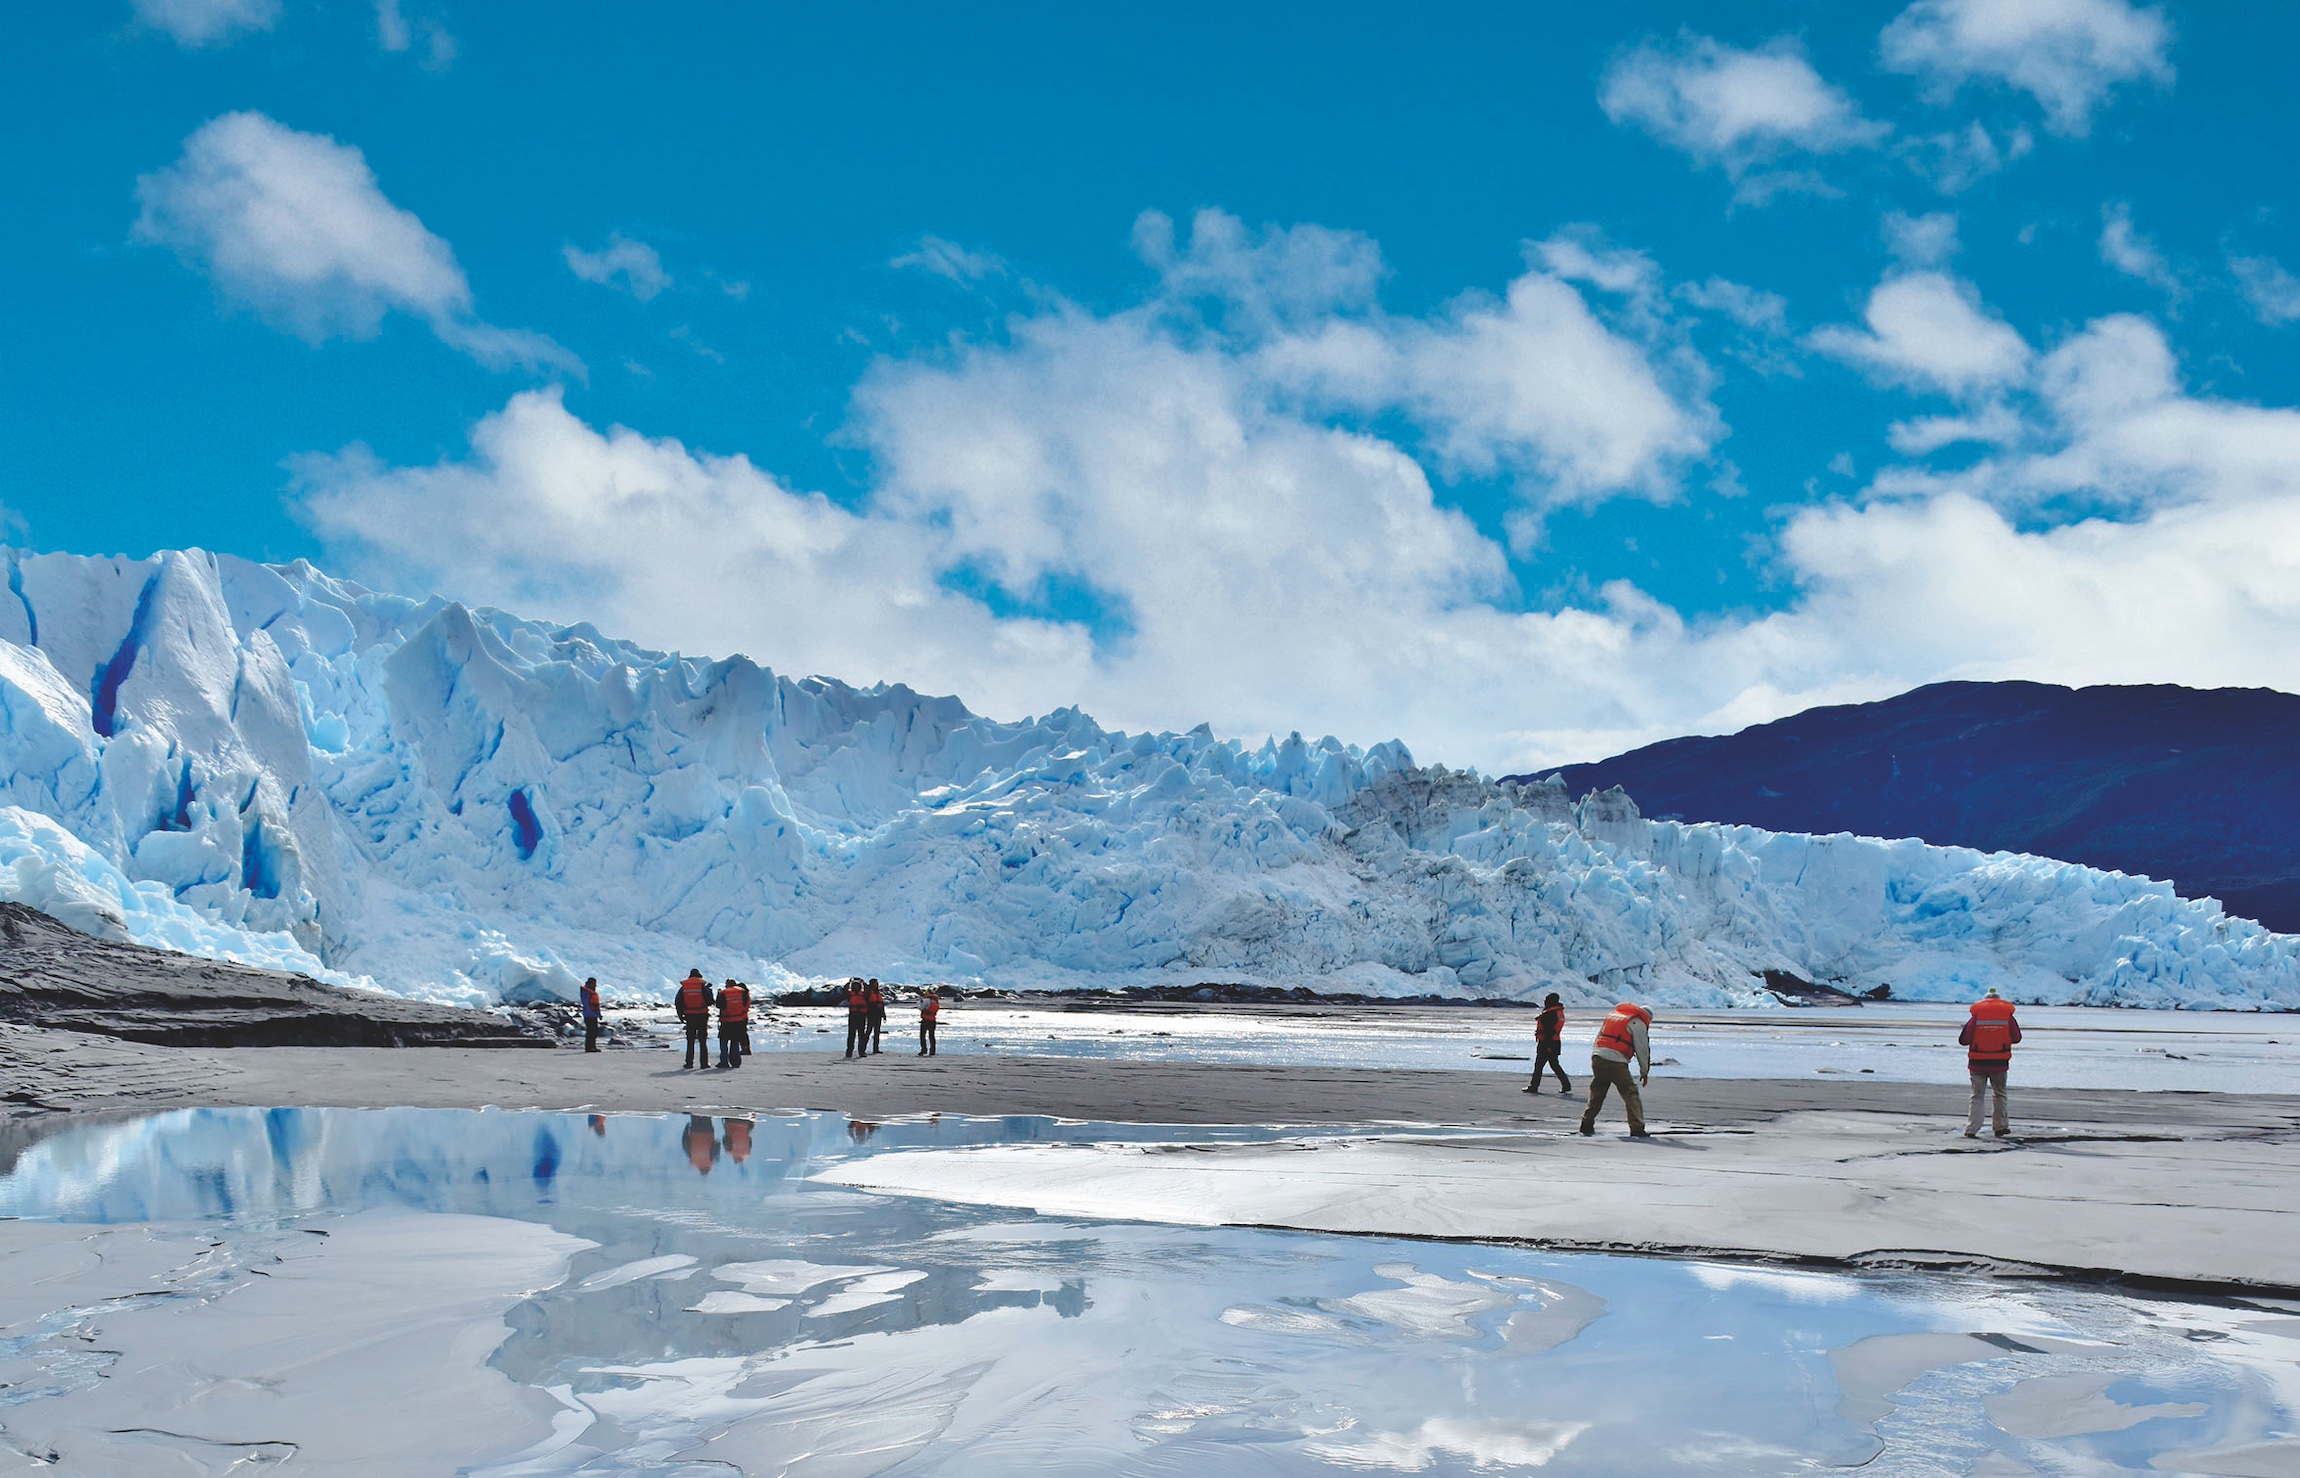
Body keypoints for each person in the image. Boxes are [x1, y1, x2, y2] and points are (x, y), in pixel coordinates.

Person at [1579, 1001, 1654, 1138]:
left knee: (1598, 1091)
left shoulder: (1614, 1017)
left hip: (1598, 1057)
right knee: (1630, 1093)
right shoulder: (1638, 1023)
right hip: (1616, 1061)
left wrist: (1596, 1055)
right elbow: (1642, 1049)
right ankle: (1637, 1128)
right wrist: (1644, 1071)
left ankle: (1586, 1123)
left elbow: (1599, 1038)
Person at [1959, 986, 2022, 1138]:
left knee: (1977, 1095)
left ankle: (1972, 1128)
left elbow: (1964, 1040)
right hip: (1999, 1061)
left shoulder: (1976, 1015)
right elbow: (2017, 1037)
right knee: (1999, 1094)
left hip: (1977, 1062)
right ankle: (2000, 1127)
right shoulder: (2007, 1016)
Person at [1525, 992, 1570, 1094]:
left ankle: (1534, 1086)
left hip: (1547, 1043)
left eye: (1546, 1000)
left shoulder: (1550, 1014)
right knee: (1554, 1064)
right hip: (1555, 1042)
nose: (1544, 1002)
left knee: (1539, 1065)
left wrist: (1548, 1046)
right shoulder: (1557, 1012)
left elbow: (1549, 1031)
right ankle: (1566, 1085)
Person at [674, 969, 713, 1069]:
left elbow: (678, 1002)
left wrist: (680, 1016)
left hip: (689, 1016)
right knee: (702, 1040)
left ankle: (689, 1063)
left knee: (690, 1040)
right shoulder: (702, 986)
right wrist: (710, 991)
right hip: (702, 1016)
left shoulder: (684, 987)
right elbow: (710, 1001)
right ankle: (704, 1063)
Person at [718, 978, 751, 1068]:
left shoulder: (723, 993)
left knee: (723, 1041)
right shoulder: (743, 992)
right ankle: (736, 1062)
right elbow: (746, 1004)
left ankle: (724, 1061)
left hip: (726, 1020)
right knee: (735, 1041)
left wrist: (718, 995)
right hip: (738, 1020)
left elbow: (719, 1005)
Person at [844, 977, 870, 1058]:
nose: (856, 987)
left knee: (861, 1035)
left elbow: (868, 991)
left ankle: (861, 1052)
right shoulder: (849, 994)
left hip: (861, 1016)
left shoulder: (863, 994)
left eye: (857, 985)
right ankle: (849, 1052)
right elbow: (844, 990)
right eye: (854, 985)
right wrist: (849, 982)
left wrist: (864, 983)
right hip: (853, 1015)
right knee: (851, 1035)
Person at [580, 976, 604, 1053]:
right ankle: (589, 1047)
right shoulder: (586, 992)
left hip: (593, 1015)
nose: (595, 985)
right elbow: (586, 1003)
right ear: (590, 983)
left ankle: (593, 1046)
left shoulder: (591, 991)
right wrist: (590, 1014)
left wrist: (599, 1014)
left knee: (594, 1031)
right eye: (594, 983)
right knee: (590, 1031)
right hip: (589, 1015)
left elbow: (596, 1005)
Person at [865, 978, 887, 1055]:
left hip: (878, 1015)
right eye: (875, 983)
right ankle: (863, 1048)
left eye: (877, 983)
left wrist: (884, 1015)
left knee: (877, 1032)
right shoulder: (868, 992)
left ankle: (876, 1048)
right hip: (871, 1014)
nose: (876, 985)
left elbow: (881, 1005)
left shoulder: (878, 993)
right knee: (868, 1031)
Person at [918, 986, 940, 1056]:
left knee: (922, 1035)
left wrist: (919, 1003)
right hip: (933, 1020)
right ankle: (932, 1050)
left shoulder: (927, 1000)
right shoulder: (936, 1001)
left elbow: (921, 1008)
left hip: (926, 1019)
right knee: (931, 1036)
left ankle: (924, 1049)